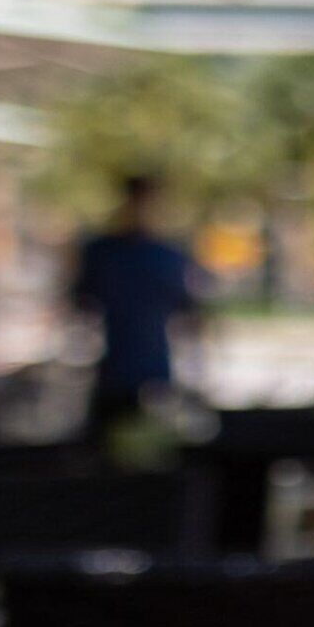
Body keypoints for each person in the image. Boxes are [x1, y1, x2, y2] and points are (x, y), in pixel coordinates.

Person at [66, 172, 202, 442]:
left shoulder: (167, 256)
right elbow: (79, 305)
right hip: (114, 375)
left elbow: (190, 314)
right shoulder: (103, 254)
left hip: (153, 375)